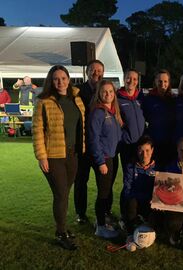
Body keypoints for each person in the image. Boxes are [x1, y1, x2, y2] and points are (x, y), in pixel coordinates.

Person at [32, 65, 85, 250]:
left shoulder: (76, 98)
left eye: (63, 78)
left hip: (73, 154)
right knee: (61, 194)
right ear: (51, 81)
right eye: (56, 79)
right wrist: (41, 157)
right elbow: (37, 130)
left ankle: (62, 227)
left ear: (69, 79)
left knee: (64, 194)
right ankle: (61, 233)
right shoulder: (44, 102)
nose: (60, 82)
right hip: (53, 156)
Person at [88, 80, 123, 239]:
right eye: (104, 92)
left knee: (108, 190)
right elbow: (93, 139)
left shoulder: (113, 111)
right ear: (99, 94)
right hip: (104, 158)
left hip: (113, 157)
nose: (108, 94)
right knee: (103, 193)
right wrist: (100, 161)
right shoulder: (98, 112)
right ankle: (100, 226)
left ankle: (105, 218)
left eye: (110, 91)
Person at [74, 59, 105, 224]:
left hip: (101, 145)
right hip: (84, 144)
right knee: (81, 180)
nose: (96, 73)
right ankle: (81, 213)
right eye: (93, 70)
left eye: (99, 71)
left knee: (104, 182)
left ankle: (105, 212)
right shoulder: (78, 90)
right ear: (87, 72)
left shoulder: (106, 90)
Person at [117, 69, 146, 225]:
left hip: (142, 147)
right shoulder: (117, 97)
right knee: (128, 180)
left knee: (141, 178)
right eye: (129, 78)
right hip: (128, 146)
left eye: (135, 79)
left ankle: (138, 212)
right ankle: (124, 214)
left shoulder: (140, 97)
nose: (131, 81)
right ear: (124, 79)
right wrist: (124, 137)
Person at [121, 135, 156, 236]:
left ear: (152, 150)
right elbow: (127, 189)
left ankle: (149, 230)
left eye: (147, 150)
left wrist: (153, 199)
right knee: (130, 202)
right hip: (135, 200)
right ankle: (130, 233)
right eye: (141, 151)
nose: (144, 155)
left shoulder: (157, 168)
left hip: (149, 202)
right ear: (137, 151)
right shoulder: (131, 166)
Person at [142, 69, 175, 170]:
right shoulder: (149, 99)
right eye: (160, 81)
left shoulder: (173, 99)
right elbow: (143, 118)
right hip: (154, 142)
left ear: (169, 82)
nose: (162, 84)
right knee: (154, 174)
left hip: (171, 143)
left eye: (165, 81)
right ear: (155, 82)